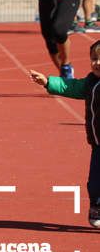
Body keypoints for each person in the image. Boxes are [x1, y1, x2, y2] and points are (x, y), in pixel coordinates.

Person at [29, 40, 100, 228]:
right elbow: (71, 87)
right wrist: (48, 82)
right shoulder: (90, 82)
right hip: (98, 145)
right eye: (94, 59)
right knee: (94, 182)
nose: (97, 63)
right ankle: (97, 206)